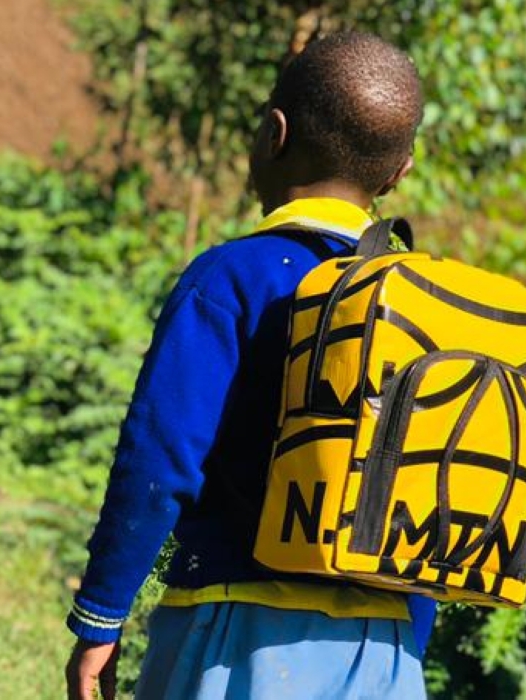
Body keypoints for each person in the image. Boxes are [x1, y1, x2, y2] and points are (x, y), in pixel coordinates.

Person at [64, 31, 435, 700]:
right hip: (386, 652)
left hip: (236, 631)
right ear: (398, 173)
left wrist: (101, 615)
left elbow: (161, 460)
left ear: (272, 133)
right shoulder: (417, 302)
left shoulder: (231, 278)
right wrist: (410, 642)